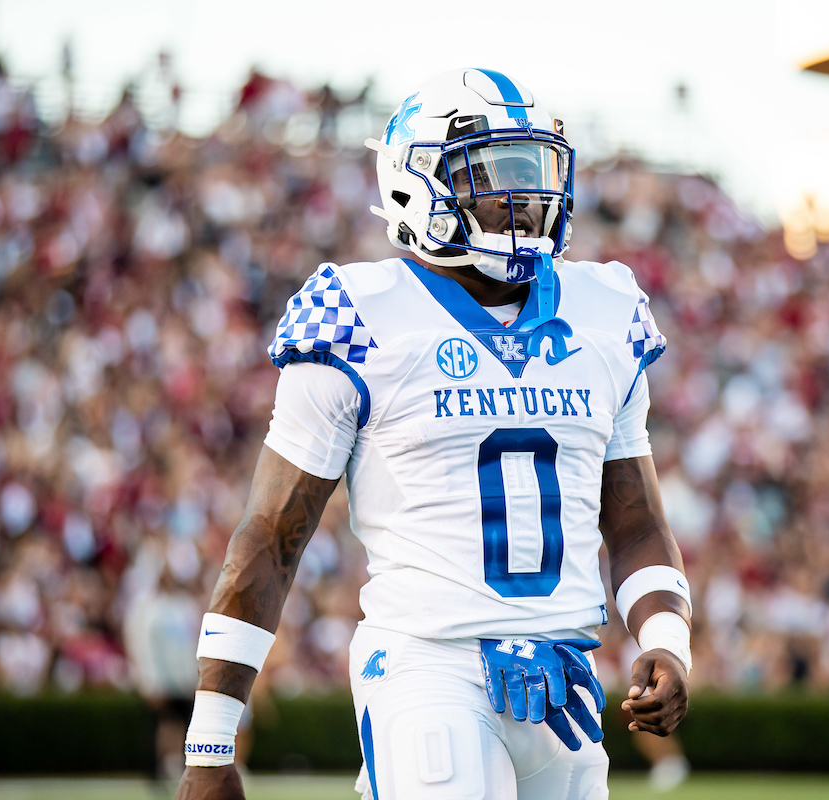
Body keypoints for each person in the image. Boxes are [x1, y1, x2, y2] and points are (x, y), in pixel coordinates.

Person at [175, 69, 692, 800]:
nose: (524, 197)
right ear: (416, 185)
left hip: (565, 684)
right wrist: (209, 744)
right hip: (428, 670)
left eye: (534, 170)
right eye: (494, 174)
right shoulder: (358, 314)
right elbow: (270, 538)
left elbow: (636, 523)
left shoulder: (604, 309)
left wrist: (667, 642)